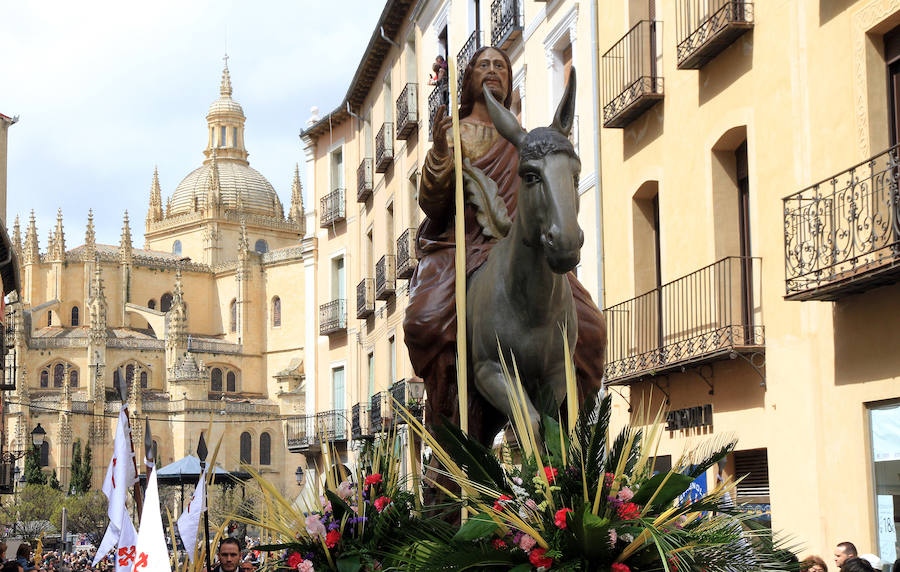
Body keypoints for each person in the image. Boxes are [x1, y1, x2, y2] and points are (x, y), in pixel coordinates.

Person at [403, 45, 607, 447]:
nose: (493, 70)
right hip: (465, 243)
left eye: (500, 65)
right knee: (423, 318)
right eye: (484, 65)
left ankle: (572, 431)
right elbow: (433, 201)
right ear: (469, 79)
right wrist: (442, 156)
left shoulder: (528, 139)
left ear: (510, 80)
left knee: (590, 326)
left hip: (522, 243)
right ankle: (447, 406)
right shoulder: (454, 131)